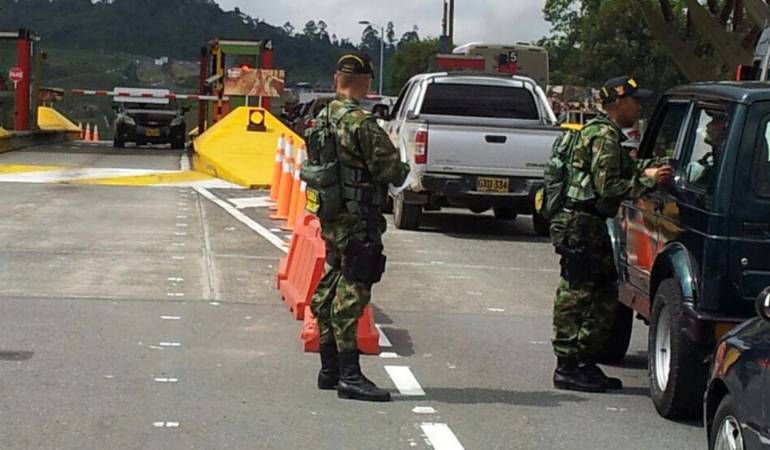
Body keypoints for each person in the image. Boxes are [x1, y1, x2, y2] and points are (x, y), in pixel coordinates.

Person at [550, 76, 673, 393]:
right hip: (583, 224)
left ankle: (582, 362)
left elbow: (618, 170)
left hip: (583, 222)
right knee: (582, 293)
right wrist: (648, 182)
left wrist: (648, 167)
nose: (638, 106)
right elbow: (610, 187)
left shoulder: (596, 131)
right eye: (634, 100)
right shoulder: (604, 136)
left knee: (597, 291)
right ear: (618, 102)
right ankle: (569, 366)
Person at [308, 53, 410, 402]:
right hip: (358, 218)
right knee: (353, 293)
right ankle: (349, 376)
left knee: (332, 281)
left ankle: (329, 368)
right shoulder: (361, 123)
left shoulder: (323, 116)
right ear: (366, 81)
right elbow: (391, 172)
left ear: (337, 77)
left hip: (332, 213)